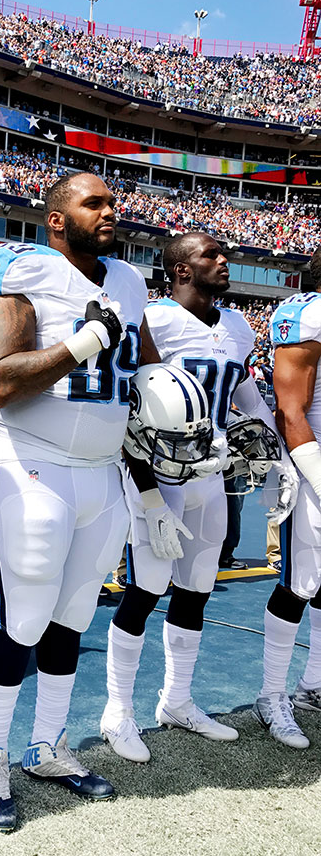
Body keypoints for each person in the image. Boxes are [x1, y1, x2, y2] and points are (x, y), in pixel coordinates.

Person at [0, 173, 158, 832]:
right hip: (32, 464)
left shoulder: (130, 282)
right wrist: (82, 343)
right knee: (22, 619)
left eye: (113, 201)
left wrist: (175, 428)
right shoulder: (22, 270)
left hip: (102, 472)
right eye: (94, 202)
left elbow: (148, 371)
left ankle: (47, 746)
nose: (111, 211)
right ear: (56, 219)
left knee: (72, 619)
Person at [100, 232, 296, 763]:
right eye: (211, 254)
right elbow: (132, 412)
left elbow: (245, 394)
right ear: (182, 270)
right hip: (159, 475)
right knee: (144, 590)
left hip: (212, 475)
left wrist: (277, 454)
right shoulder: (154, 321)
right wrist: (147, 496)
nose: (223, 260)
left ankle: (177, 699)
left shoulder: (236, 325)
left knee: (196, 590)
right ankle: (118, 711)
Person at [254, 247, 321, 748]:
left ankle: (312, 686)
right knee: (301, 582)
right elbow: (290, 411)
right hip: (312, 466)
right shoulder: (309, 312)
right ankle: (271, 696)